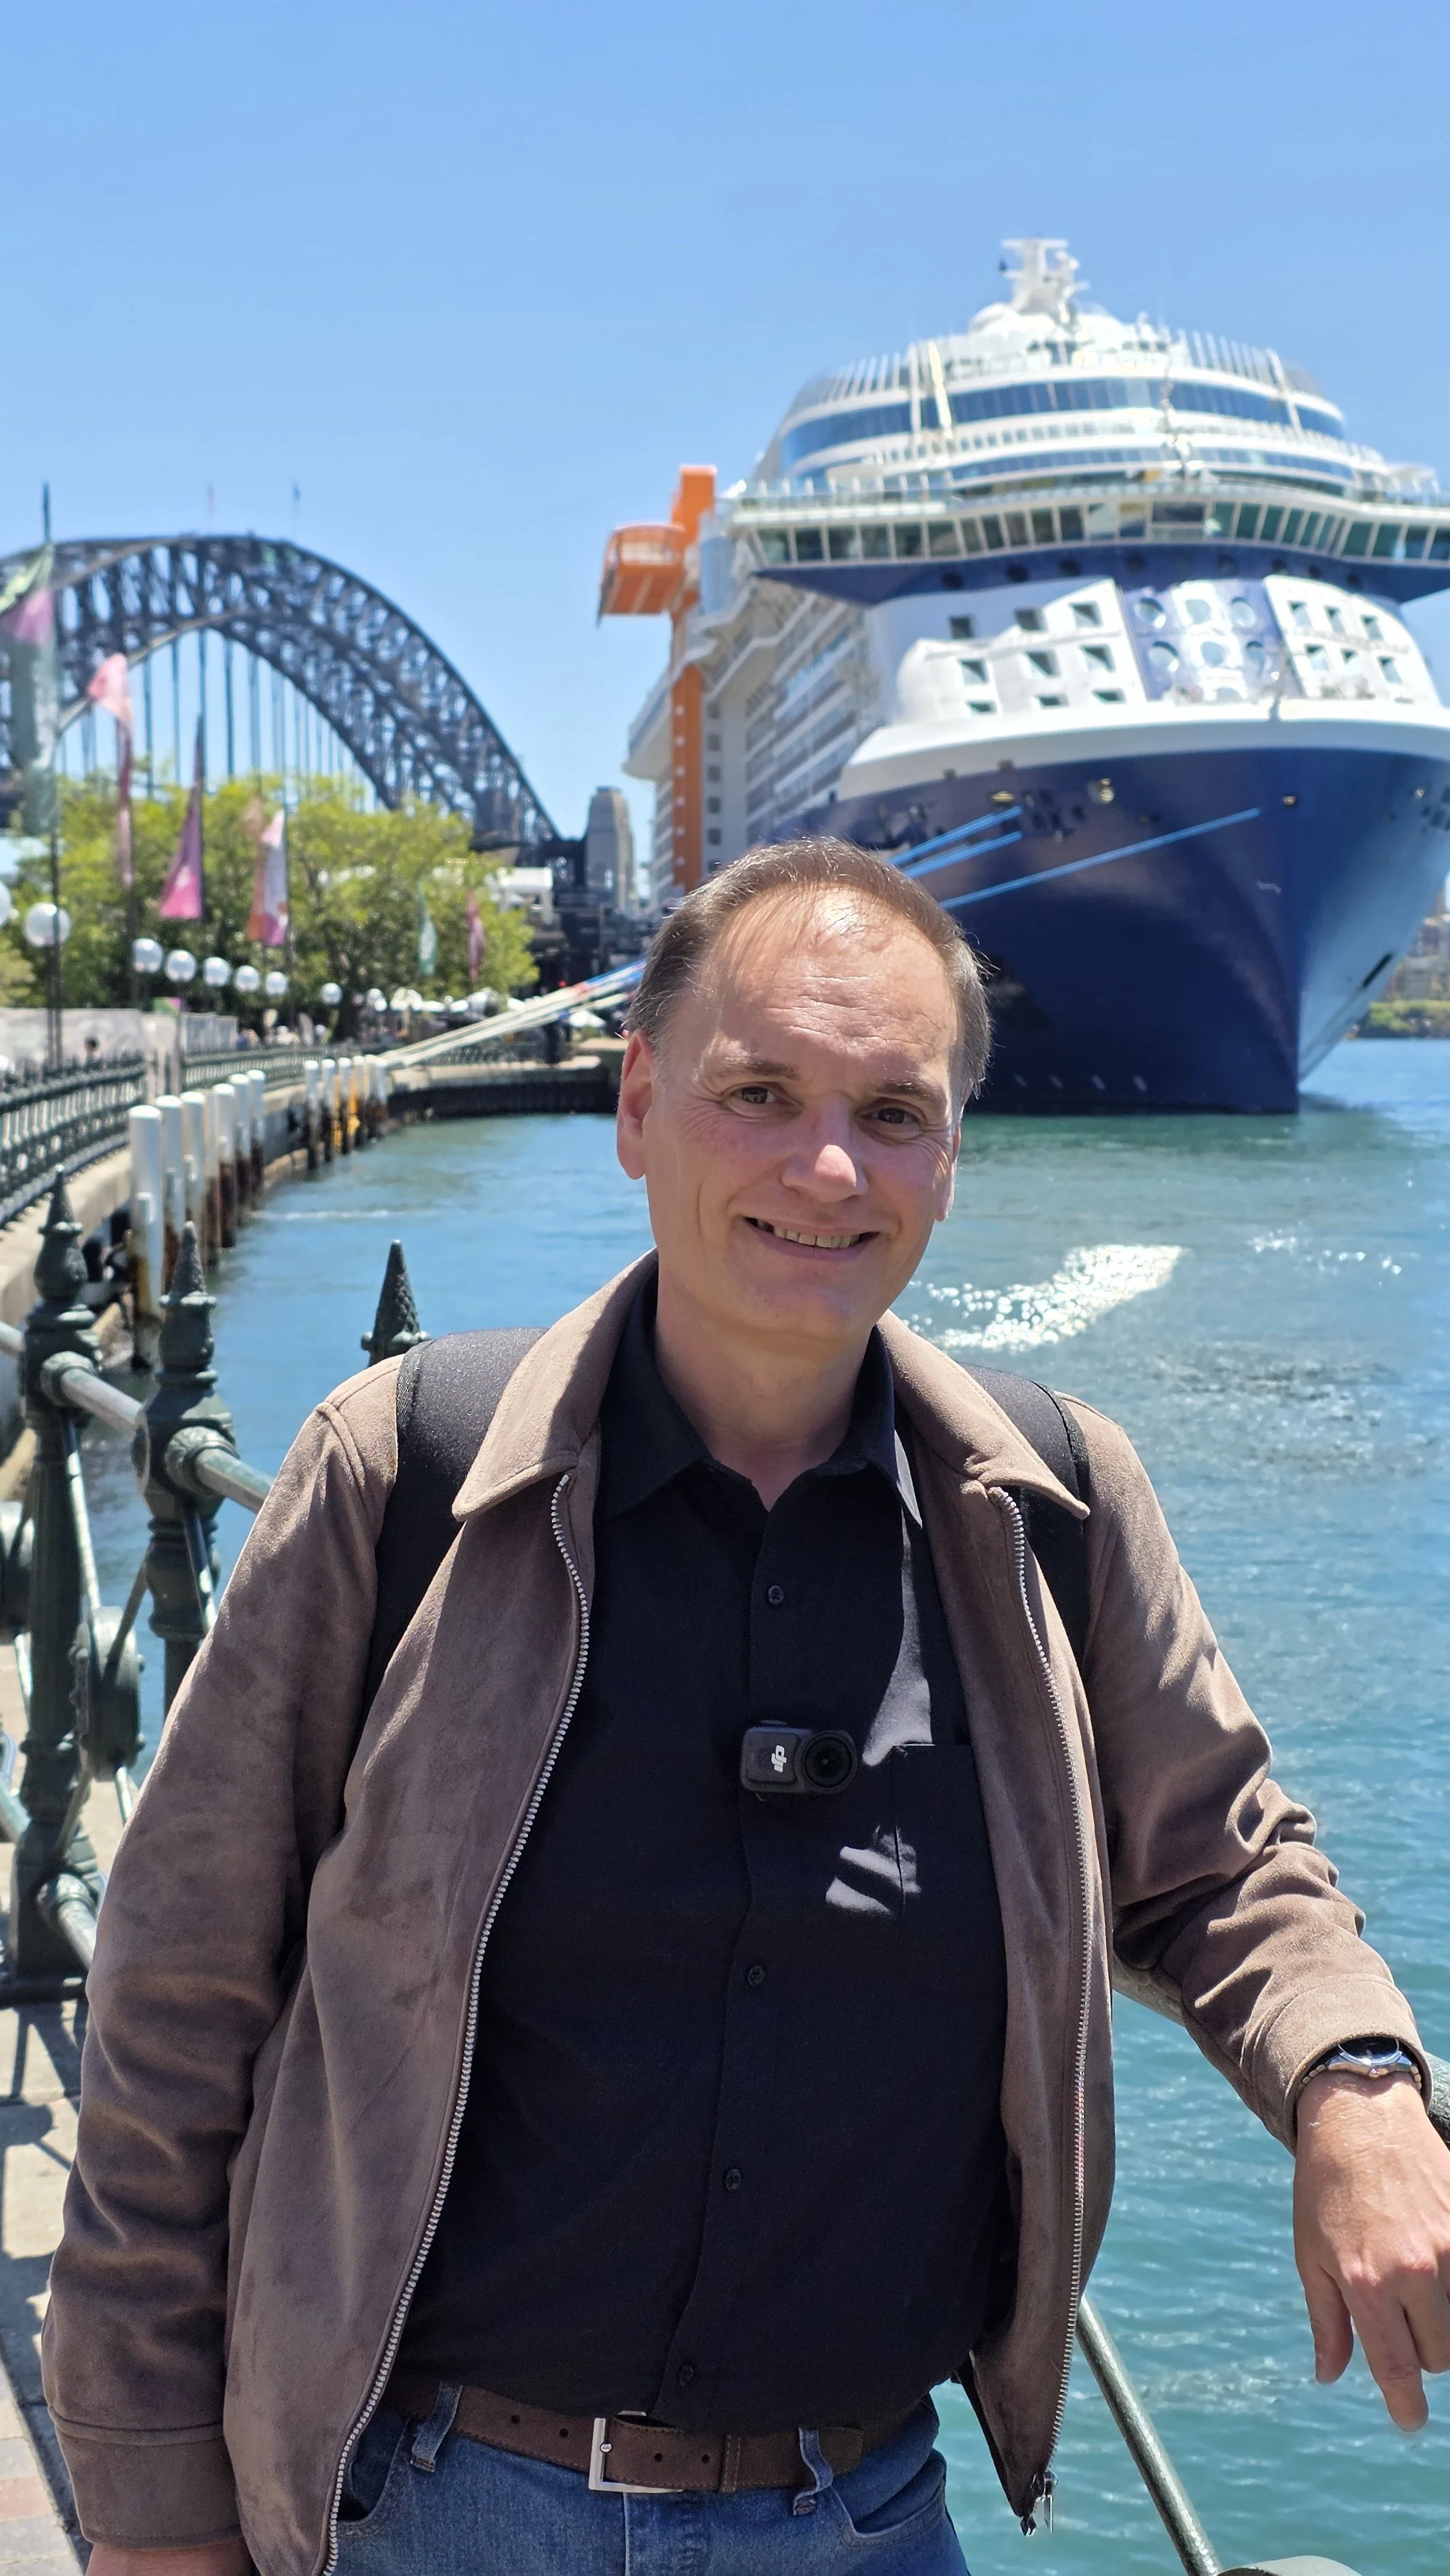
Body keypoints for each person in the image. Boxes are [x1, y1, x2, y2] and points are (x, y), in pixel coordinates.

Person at [44, 840, 1450, 2576]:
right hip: (424, 2505)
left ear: (951, 1158)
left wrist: (1359, 2085)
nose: (828, 1165)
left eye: (894, 1110)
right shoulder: (400, 1472)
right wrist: (150, 2509)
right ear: (637, 1104)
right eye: (759, 1093)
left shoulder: (1058, 1506)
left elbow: (1224, 1869)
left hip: (855, 2511)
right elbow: (177, 2006)